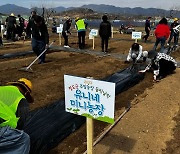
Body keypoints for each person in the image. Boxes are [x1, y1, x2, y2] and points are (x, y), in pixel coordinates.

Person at [0, 78, 33, 154]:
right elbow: (21, 123)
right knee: (24, 139)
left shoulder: (2, 89)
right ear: (26, 93)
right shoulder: (21, 99)